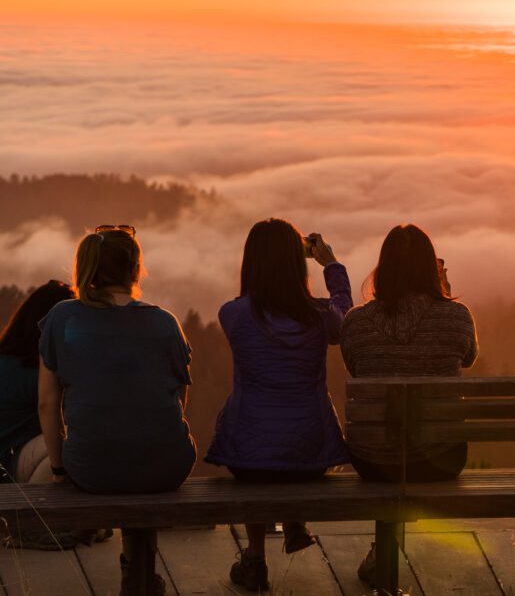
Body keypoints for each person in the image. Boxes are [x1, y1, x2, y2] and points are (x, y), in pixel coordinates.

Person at [38, 225, 196, 595]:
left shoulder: (64, 319)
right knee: (141, 457)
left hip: (91, 468)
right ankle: (140, 570)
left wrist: (60, 468)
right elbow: (179, 398)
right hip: (168, 467)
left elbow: (47, 403)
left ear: (85, 267)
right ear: (136, 268)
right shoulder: (164, 322)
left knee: (120, 458)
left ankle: (136, 570)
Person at [205, 219, 353, 593]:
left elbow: (251, 310)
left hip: (248, 459)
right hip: (311, 456)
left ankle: (254, 557)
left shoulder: (232, 315)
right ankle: (294, 521)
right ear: (297, 263)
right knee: (286, 439)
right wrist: (331, 266)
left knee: (255, 436)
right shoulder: (320, 318)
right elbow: (346, 320)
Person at [340, 224, 477, 585]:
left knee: (393, 444)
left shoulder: (355, 323)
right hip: (440, 458)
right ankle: (382, 552)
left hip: (373, 461)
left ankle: (381, 552)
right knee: (412, 443)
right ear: (433, 271)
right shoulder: (458, 316)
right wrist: (443, 296)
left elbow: (355, 366)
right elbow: (469, 358)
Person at [0, 280, 86, 550]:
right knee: (69, 446)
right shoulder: (38, 372)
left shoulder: (6, 359)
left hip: (9, 462)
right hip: (9, 468)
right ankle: (30, 527)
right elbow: (55, 413)